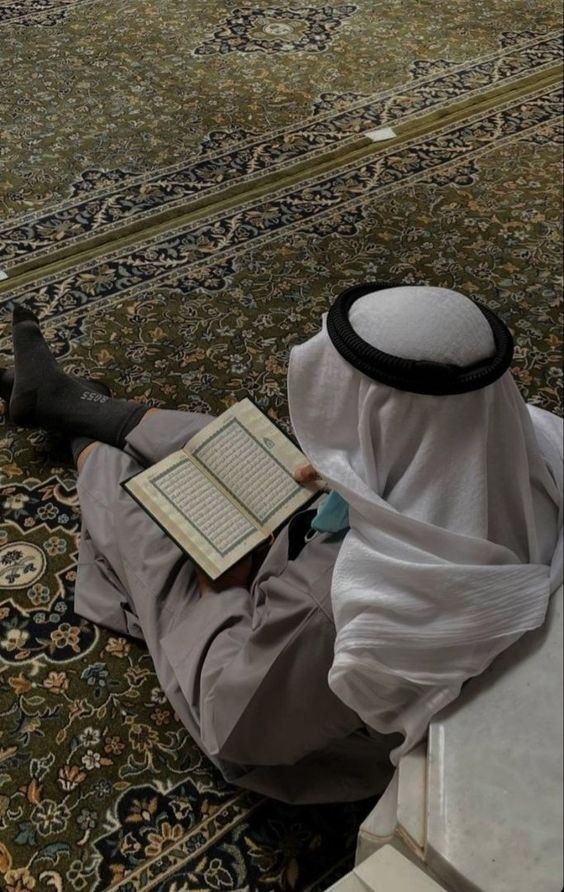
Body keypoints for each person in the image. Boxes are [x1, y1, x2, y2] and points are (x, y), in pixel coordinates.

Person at [1, 284, 561, 804]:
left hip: (302, 711)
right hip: (352, 594)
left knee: (155, 539)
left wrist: (221, 593)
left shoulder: (344, 607)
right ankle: (79, 403)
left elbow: (233, 722)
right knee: (246, 455)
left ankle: (84, 437)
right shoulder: (526, 438)